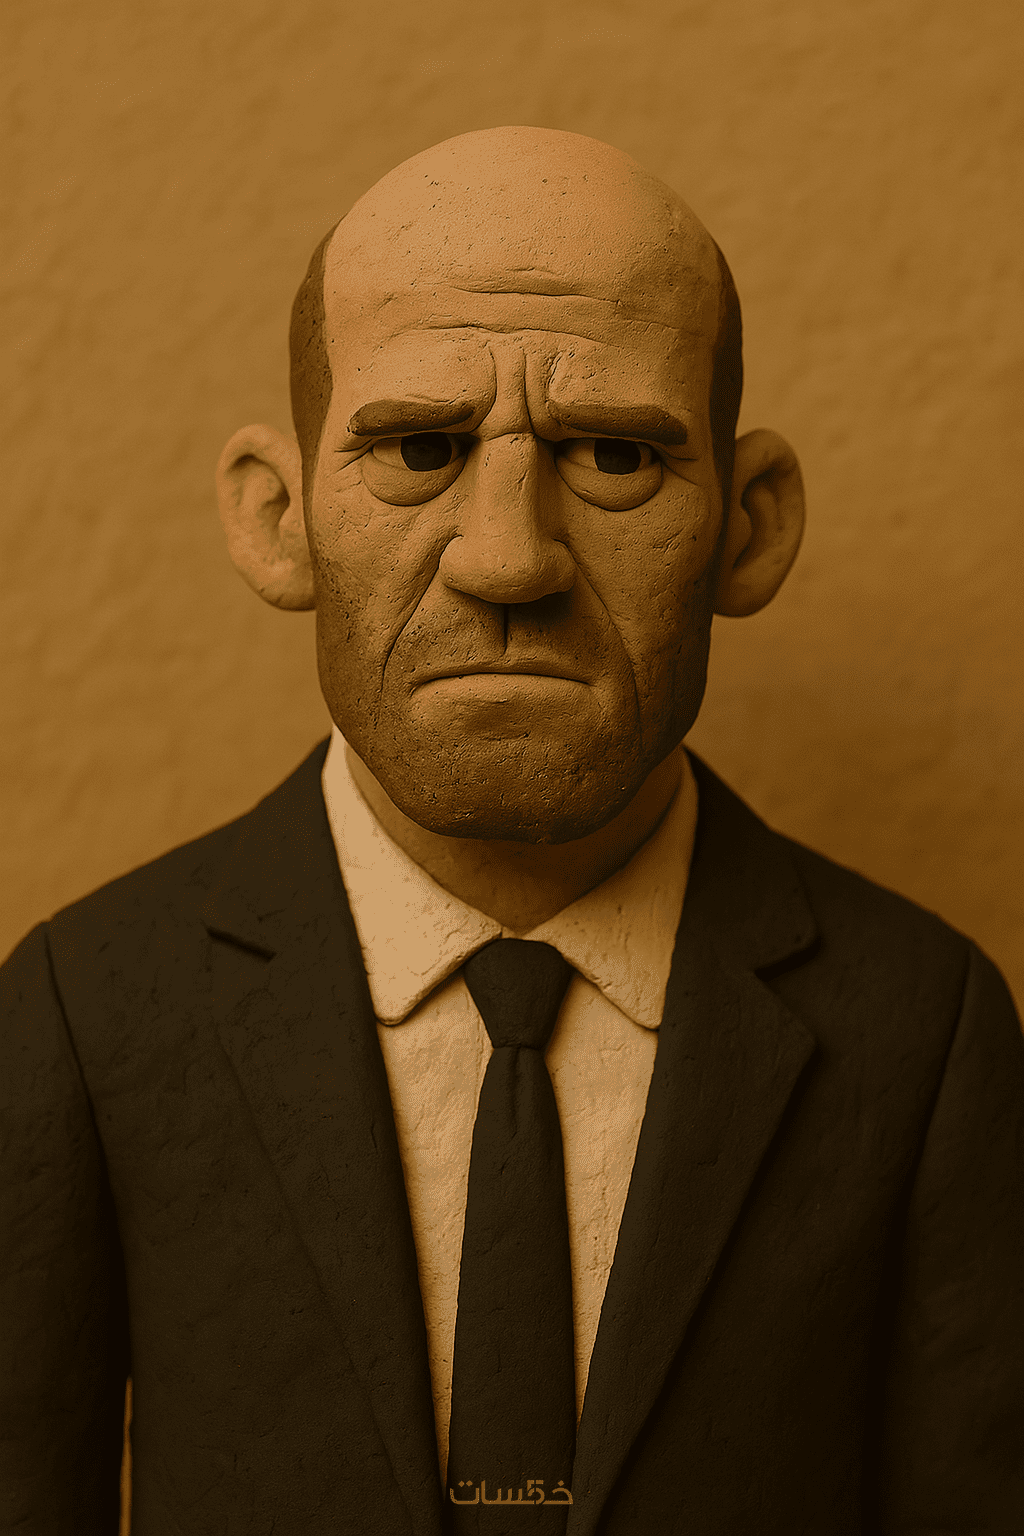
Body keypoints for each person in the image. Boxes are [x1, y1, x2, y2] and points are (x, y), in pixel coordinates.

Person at [2, 127, 1021, 1536]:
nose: (508, 556)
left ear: (750, 527)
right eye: (418, 450)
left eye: (614, 457)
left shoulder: (924, 1029)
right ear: (278, 520)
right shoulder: (86, 1013)